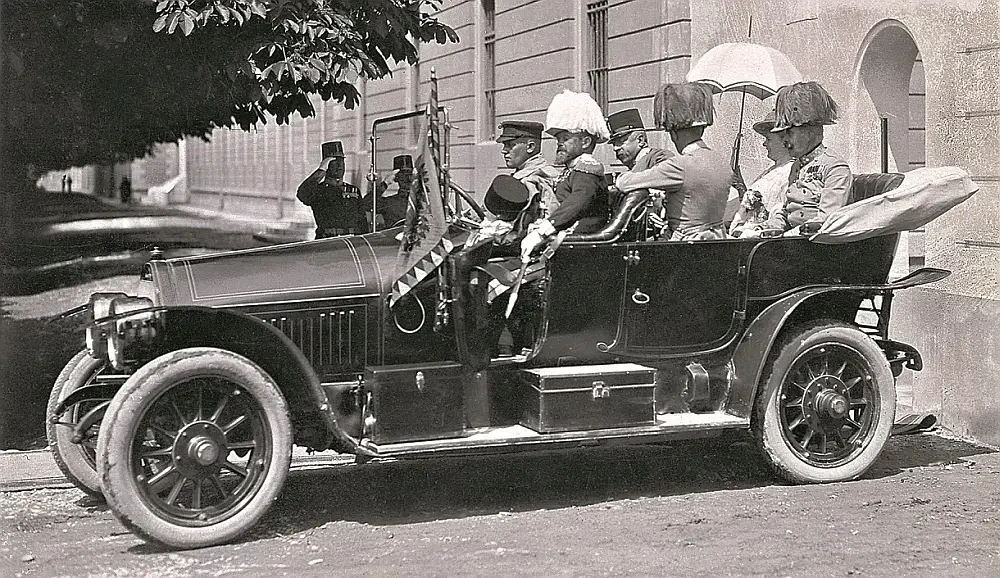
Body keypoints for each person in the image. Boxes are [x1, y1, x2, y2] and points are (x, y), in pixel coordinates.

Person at [614, 82, 732, 241]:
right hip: (718, 241)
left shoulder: (679, 165)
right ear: (702, 128)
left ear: (674, 134)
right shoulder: (721, 162)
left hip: (683, 245)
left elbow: (625, 183)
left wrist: (620, 177)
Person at [520, 90, 611, 259]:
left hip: (577, 248)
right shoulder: (572, 170)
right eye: (558, 139)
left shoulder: (587, 170)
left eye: (565, 138)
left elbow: (577, 202)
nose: (559, 143)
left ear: (585, 142)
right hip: (564, 241)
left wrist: (542, 232)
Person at [761, 81, 852, 236]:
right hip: (793, 241)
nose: (785, 141)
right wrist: (766, 227)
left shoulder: (835, 167)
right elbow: (788, 211)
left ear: (810, 131)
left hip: (815, 244)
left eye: (790, 133)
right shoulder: (797, 166)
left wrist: (787, 235)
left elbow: (826, 221)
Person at [728, 111, 794, 236]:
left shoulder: (791, 172)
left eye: (768, 139)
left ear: (784, 142)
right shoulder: (771, 170)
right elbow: (755, 205)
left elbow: (778, 213)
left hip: (761, 238)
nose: (764, 144)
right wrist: (740, 187)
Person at [296, 141, 366, 239]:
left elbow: (363, 222)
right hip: (327, 241)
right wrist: (321, 170)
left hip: (351, 241)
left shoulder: (353, 190)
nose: (339, 165)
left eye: (341, 161)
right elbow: (302, 194)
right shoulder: (318, 190)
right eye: (334, 161)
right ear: (327, 165)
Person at [606, 108, 674, 210]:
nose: (615, 148)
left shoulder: (660, 158)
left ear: (640, 140)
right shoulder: (636, 165)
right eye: (614, 144)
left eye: (621, 141)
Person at [496, 120, 561, 219]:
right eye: (504, 145)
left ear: (530, 147)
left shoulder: (540, 178)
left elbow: (550, 217)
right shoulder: (522, 175)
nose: (504, 151)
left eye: (510, 145)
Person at [368, 154, 414, 229]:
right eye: (403, 176)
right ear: (396, 178)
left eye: (410, 175)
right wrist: (385, 183)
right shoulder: (390, 202)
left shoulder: (421, 201)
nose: (407, 179)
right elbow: (367, 204)